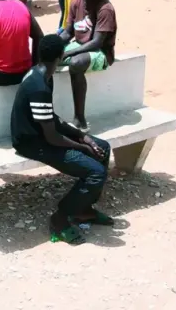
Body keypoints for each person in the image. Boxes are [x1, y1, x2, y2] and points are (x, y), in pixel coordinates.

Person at [11, 35, 114, 245]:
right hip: (31, 142)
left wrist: (83, 136)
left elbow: (51, 118)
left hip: (43, 133)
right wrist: (82, 147)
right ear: (60, 57)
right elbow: (51, 136)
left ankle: (83, 209)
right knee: (95, 172)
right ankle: (60, 219)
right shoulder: (38, 86)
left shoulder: (43, 74)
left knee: (102, 147)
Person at [59, 0, 116, 131]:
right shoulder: (76, 1)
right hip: (79, 45)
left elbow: (97, 42)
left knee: (76, 63)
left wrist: (68, 52)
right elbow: (68, 32)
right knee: (46, 56)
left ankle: (80, 119)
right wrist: (54, 44)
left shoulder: (105, 8)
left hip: (101, 52)